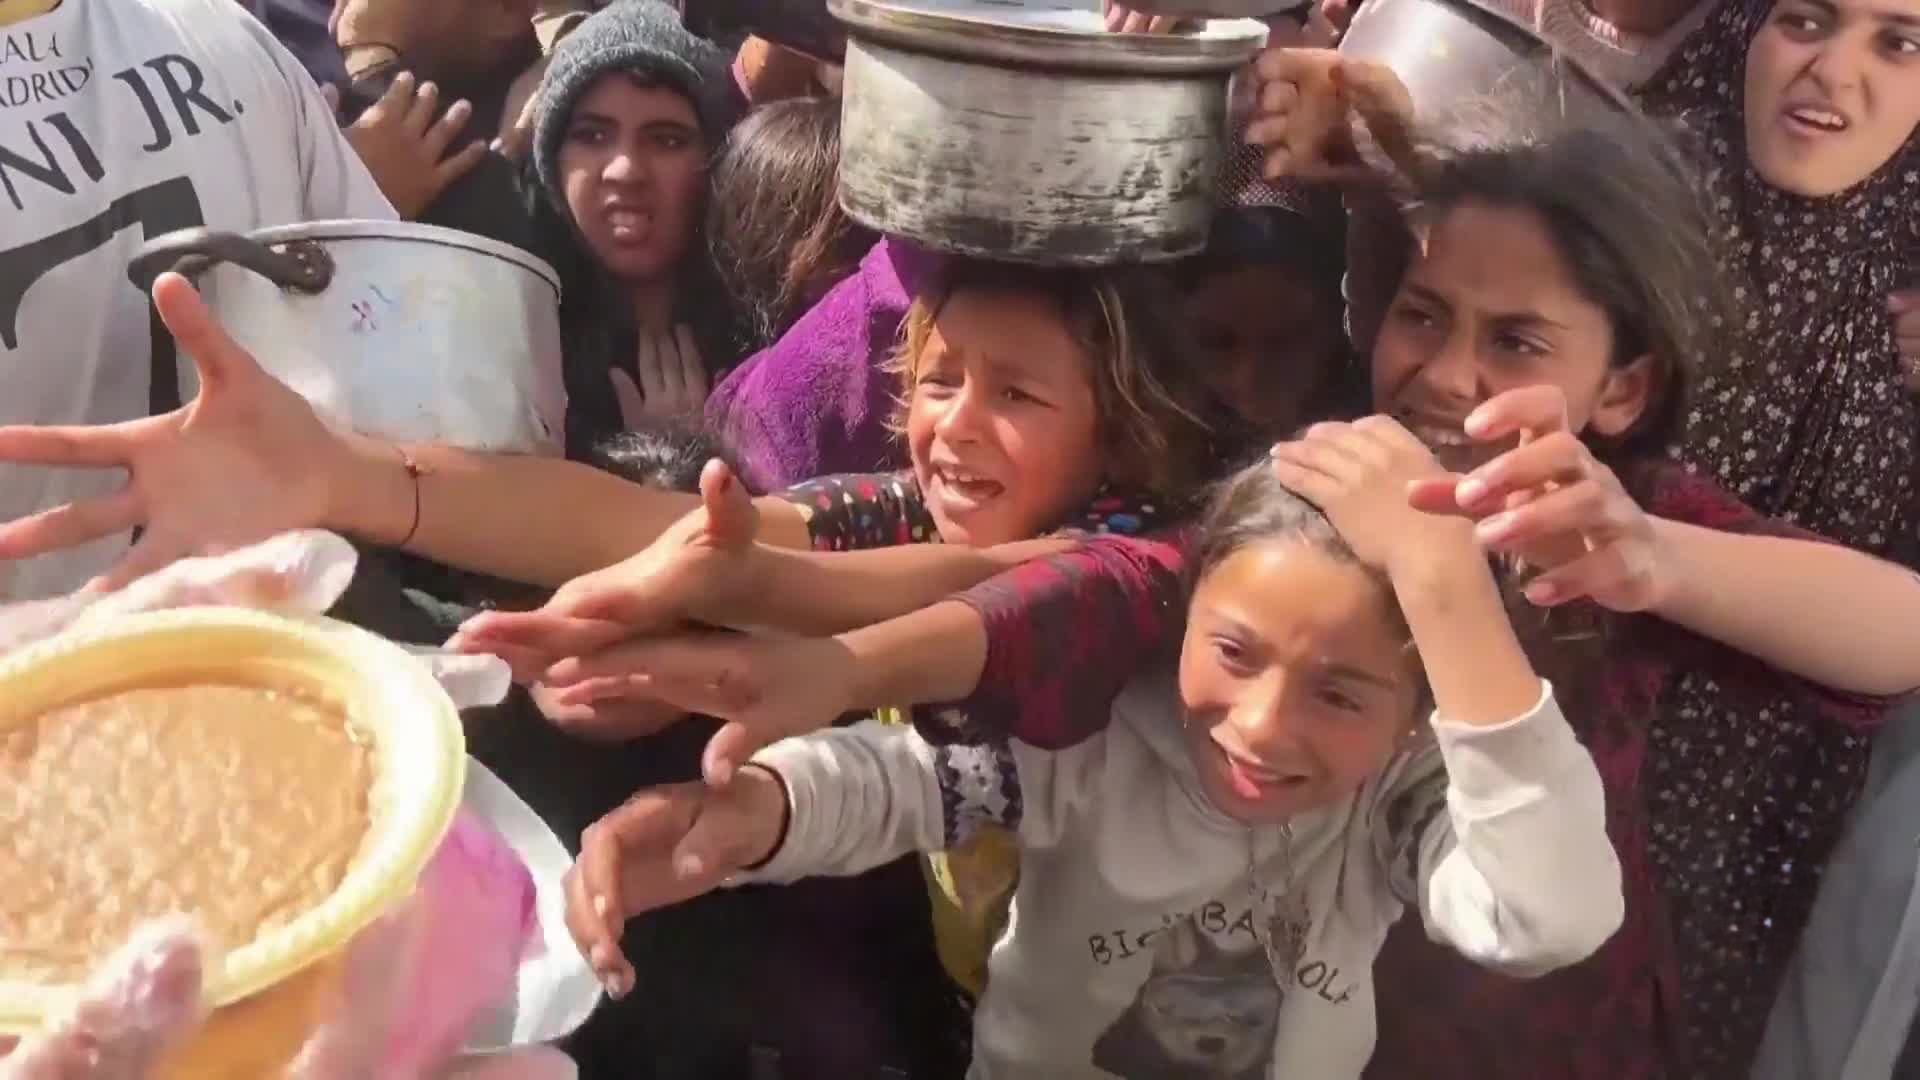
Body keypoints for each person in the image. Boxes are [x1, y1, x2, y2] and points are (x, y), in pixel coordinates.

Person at [505, 105, 1920, 1080]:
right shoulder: (1305, 499)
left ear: (1622, 385)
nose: (1448, 375)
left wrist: (1650, 560)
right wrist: (813, 664)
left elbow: (1897, 636)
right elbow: (1075, 612)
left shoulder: (1622, 528)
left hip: (1552, 1040)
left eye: (1519, 342)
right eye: (1424, 316)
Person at [561, 448, 1625, 1079]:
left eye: (1340, 694)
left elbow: (1548, 916)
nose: (1261, 728)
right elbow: (908, 781)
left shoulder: (1394, 807)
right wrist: (753, 811)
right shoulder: (1101, 737)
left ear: (1414, 716)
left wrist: (1446, 588)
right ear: (1183, 622)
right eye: (1234, 653)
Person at [0, 0, 392, 604]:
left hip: (75, 646)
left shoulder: (222, 27)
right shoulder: (220, 28)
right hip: (309, 624)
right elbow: (391, 331)